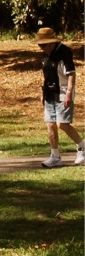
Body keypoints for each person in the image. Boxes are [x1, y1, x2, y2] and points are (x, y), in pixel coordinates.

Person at [41, 27, 79, 167]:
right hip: (50, 93)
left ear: (51, 42)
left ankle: (82, 146)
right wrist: (43, 94)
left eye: (43, 45)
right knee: (50, 124)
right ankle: (55, 156)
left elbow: (71, 74)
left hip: (63, 92)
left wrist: (69, 92)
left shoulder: (64, 52)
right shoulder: (45, 54)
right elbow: (46, 75)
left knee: (62, 123)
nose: (41, 48)